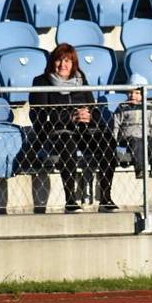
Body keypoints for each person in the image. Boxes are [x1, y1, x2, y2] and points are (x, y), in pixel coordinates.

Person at [30, 43, 119, 213]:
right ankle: (70, 201)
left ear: (73, 64)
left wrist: (89, 116)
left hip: (83, 130)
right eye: (59, 60)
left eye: (67, 61)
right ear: (52, 62)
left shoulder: (81, 79)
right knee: (67, 143)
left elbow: (93, 107)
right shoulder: (41, 81)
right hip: (57, 132)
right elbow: (39, 116)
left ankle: (106, 199)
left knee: (107, 141)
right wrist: (69, 117)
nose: (63, 65)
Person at [112, 73, 152, 180]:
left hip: (145, 137)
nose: (133, 95)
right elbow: (116, 125)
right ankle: (140, 169)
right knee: (135, 141)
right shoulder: (122, 107)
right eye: (130, 93)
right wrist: (114, 141)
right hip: (127, 139)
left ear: (143, 94)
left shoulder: (148, 107)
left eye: (137, 93)